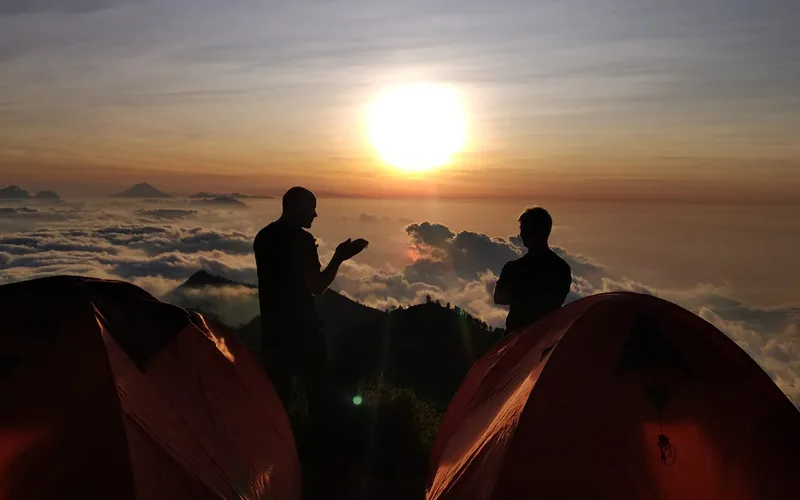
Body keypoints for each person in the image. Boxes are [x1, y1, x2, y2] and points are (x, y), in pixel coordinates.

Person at [253, 186, 367, 424]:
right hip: (302, 332)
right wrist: (338, 258)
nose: (315, 215)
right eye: (312, 208)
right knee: (317, 396)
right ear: (297, 208)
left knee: (277, 399)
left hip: (272, 329)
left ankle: (278, 449)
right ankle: (316, 448)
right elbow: (317, 286)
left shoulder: (263, 237)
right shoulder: (301, 241)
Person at [493, 206, 572, 334]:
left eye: (524, 229)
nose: (521, 234)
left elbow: (499, 298)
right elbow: (556, 303)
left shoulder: (513, 268)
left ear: (536, 232)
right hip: (546, 338)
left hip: (516, 338)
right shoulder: (561, 268)